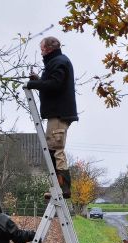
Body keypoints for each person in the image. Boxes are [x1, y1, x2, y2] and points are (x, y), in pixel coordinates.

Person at [26, 36, 78, 199]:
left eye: (42, 49)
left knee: (56, 149)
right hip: (57, 113)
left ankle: (63, 188)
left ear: (48, 49)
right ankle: (58, 186)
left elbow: (55, 85)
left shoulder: (59, 62)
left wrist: (33, 84)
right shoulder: (57, 62)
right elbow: (53, 83)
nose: (41, 52)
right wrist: (40, 81)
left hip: (59, 113)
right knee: (52, 148)